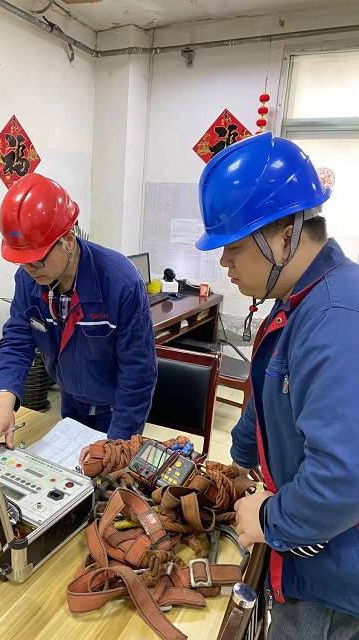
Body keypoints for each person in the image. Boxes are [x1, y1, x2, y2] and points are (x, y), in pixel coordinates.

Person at [195, 132, 359, 639]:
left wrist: (270, 519)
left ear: (286, 237)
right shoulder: (298, 298)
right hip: (308, 538)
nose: (224, 263)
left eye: (234, 247)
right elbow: (269, 389)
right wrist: (241, 460)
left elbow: (343, 477)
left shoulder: (335, 318)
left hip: (331, 577)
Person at [0, 173, 157, 452]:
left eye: (37, 259)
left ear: (68, 240)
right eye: (22, 261)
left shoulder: (121, 283)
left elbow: (138, 373)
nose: (30, 270)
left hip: (115, 409)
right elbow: (16, 341)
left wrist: (116, 444)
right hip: (71, 403)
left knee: (107, 471)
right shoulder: (28, 280)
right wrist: (3, 406)